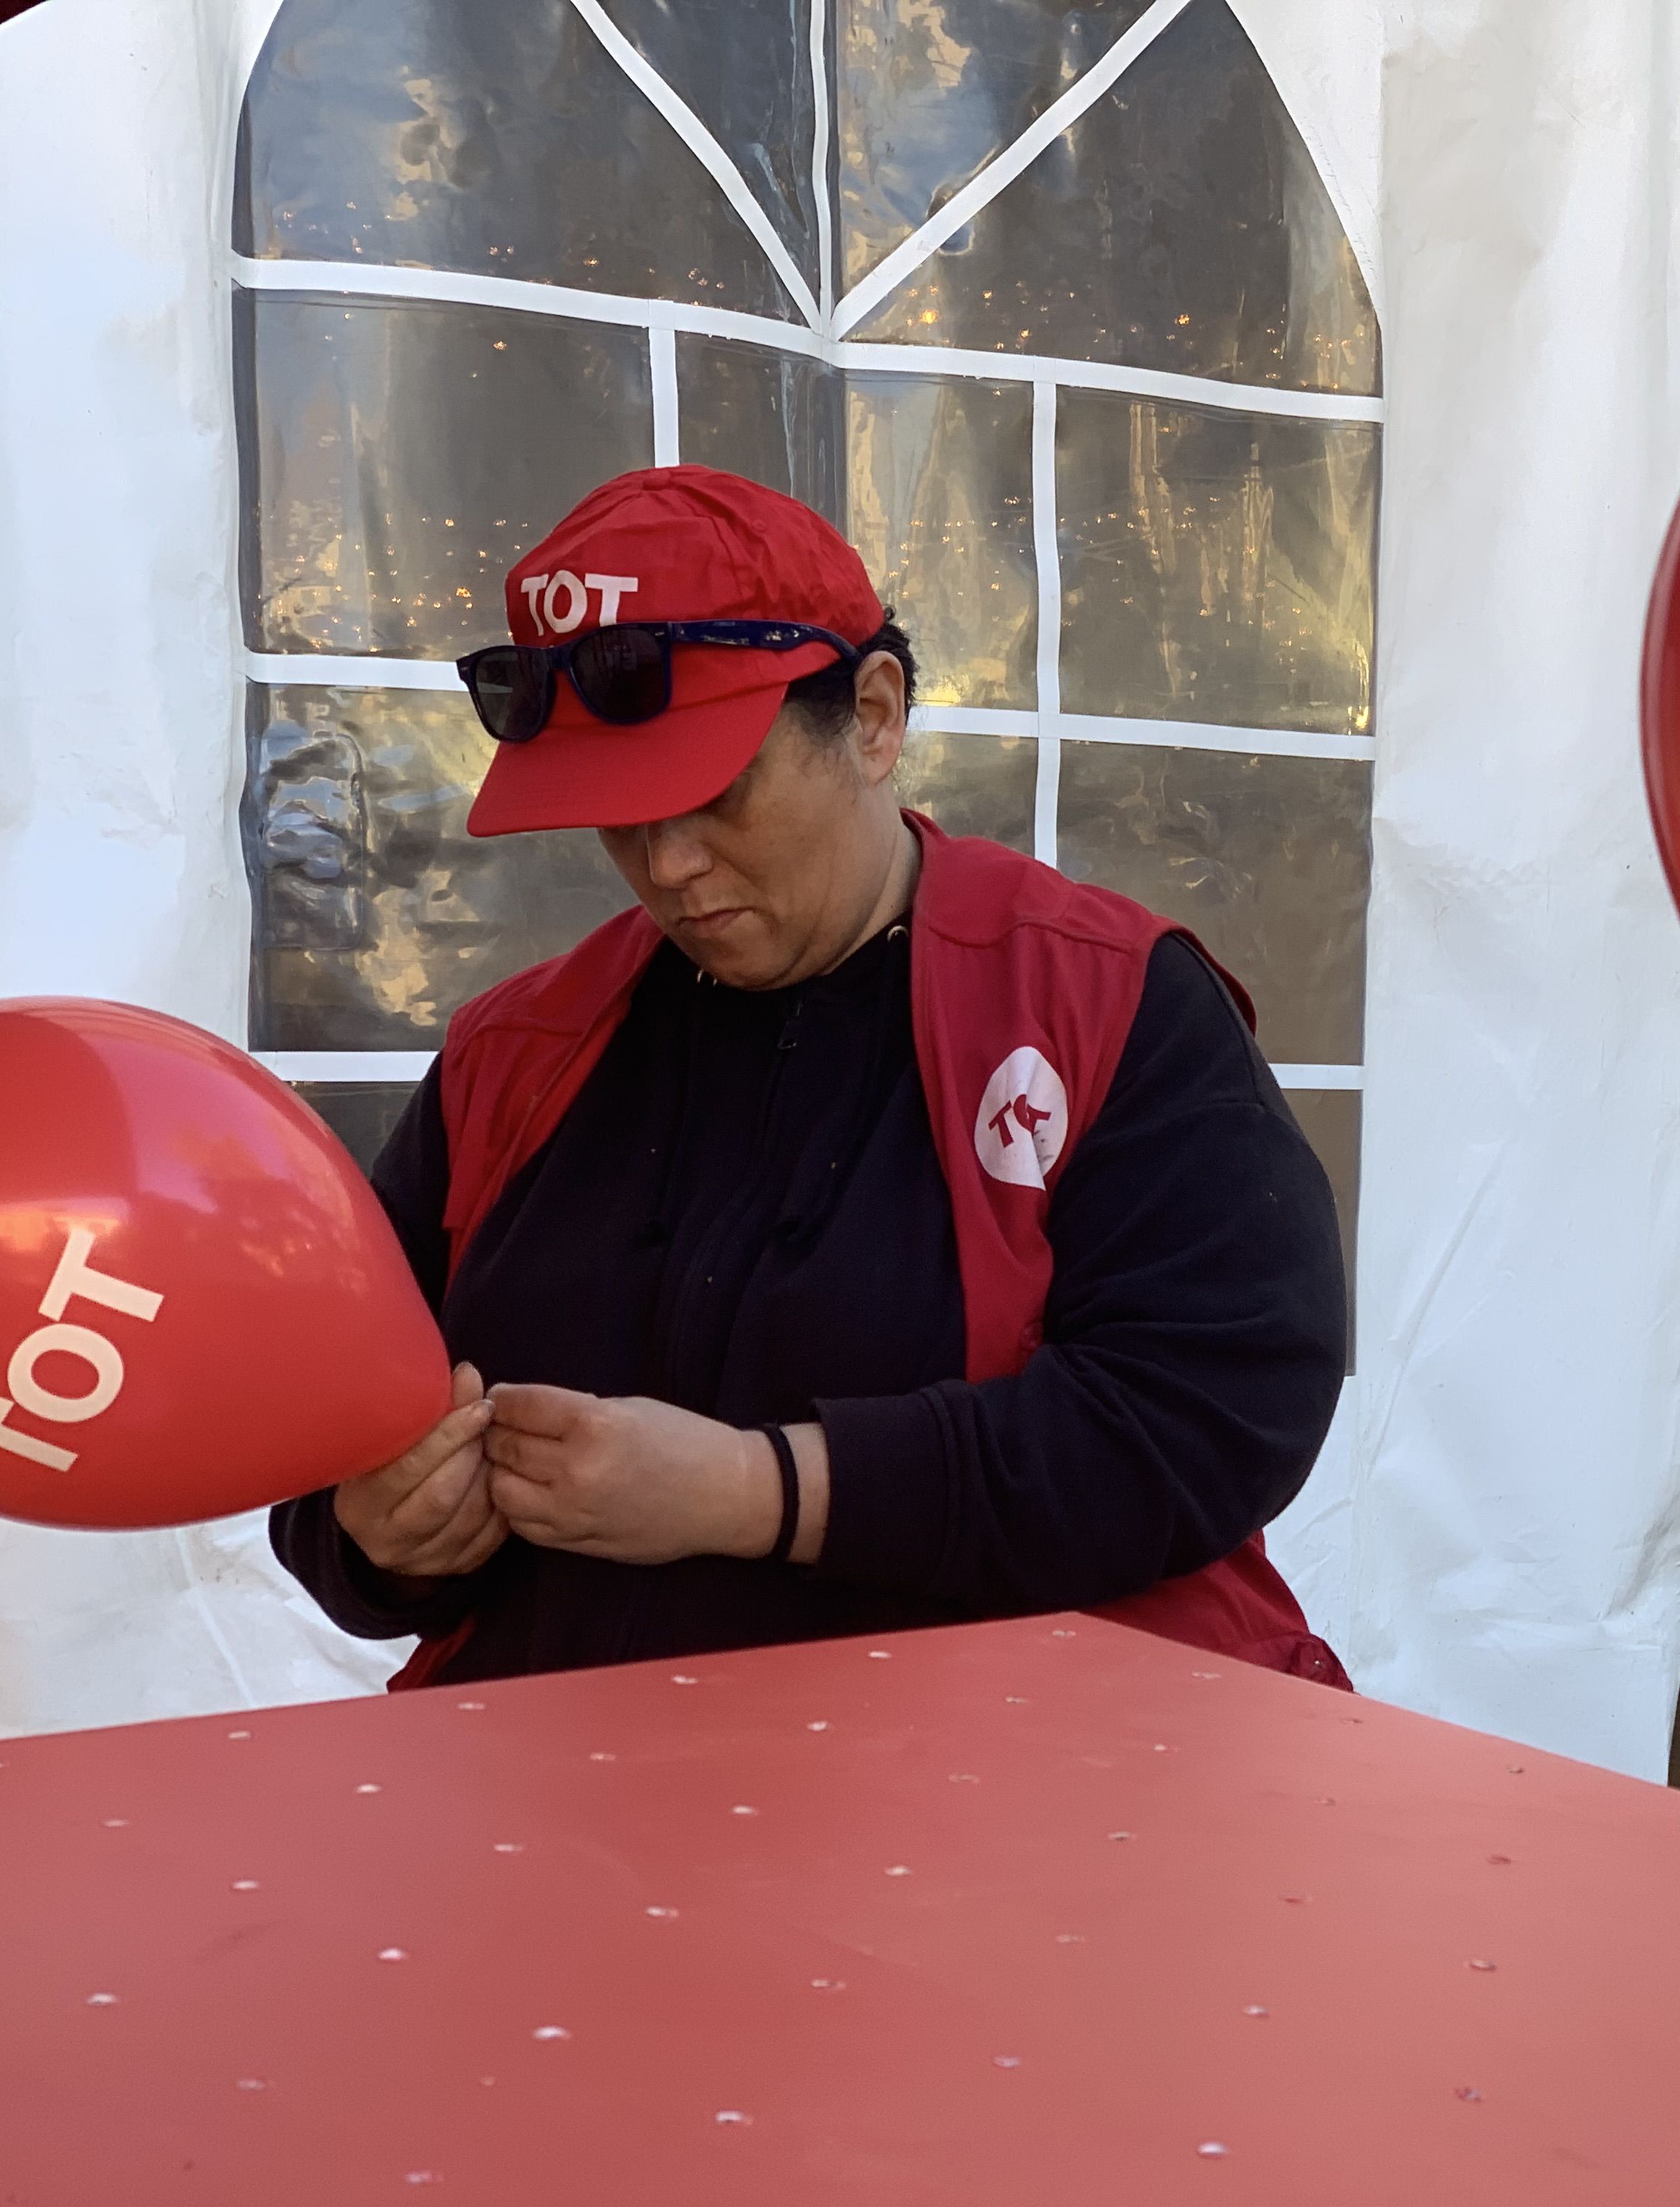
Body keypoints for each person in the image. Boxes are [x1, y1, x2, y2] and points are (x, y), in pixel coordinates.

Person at [271, 465, 1350, 1689]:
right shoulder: (514, 1052)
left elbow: (1210, 1415)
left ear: (876, 715)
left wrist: (757, 1492)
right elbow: (330, 1438)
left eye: (715, 794)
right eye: (617, 816)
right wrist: (383, 1539)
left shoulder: (1101, 1002)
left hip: (1016, 1808)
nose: (667, 865)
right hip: (576, 1810)